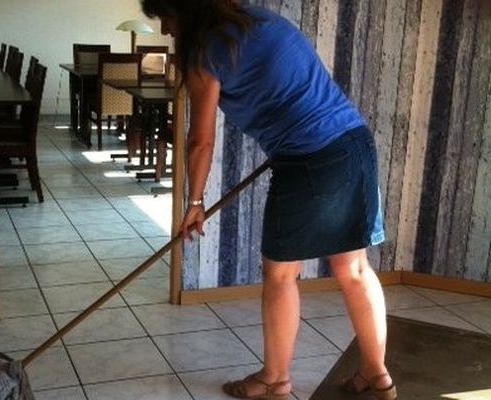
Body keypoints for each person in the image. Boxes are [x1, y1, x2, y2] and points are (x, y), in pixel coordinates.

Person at [140, 1, 396, 399]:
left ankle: (275, 379)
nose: (168, 31)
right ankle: (376, 376)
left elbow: (201, 140)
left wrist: (194, 203)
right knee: (355, 269)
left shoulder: (204, 51)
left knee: (279, 275)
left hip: (309, 159)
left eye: (166, 19)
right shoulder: (258, 18)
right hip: (354, 145)